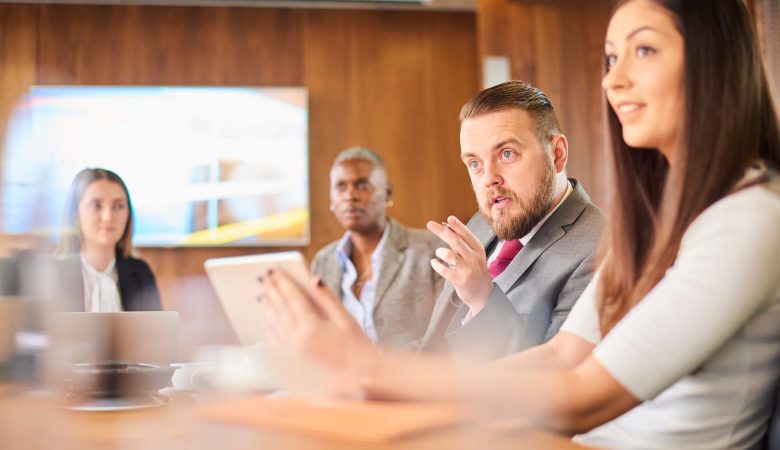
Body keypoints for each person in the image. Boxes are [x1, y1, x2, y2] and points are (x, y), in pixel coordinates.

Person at [260, 0, 780, 447]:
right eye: (611, 57)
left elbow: (582, 398)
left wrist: (372, 373)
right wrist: (377, 388)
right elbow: (559, 358)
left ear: (715, 63)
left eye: (643, 50)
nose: (612, 79)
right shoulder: (659, 221)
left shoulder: (749, 219)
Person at [416, 80, 604, 362]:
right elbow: (433, 350)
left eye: (506, 154)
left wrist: (482, 299)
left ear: (557, 154)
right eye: (475, 163)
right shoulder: (482, 222)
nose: (488, 178)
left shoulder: (602, 249)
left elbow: (557, 388)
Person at [311, 147, 443, 347]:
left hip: (410, 376)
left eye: (362, 185)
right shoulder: (322, 262)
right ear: (331, 198)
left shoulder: (431, 251)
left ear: (387, 193)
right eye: (341, 187)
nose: (350, 196)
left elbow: (447, 335)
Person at [54, 168, 161, 312]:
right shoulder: (52, 274)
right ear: (76, 214)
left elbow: (157, 331)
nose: (108, 217)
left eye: (118, 206)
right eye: (96, 205)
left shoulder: (140, 273)